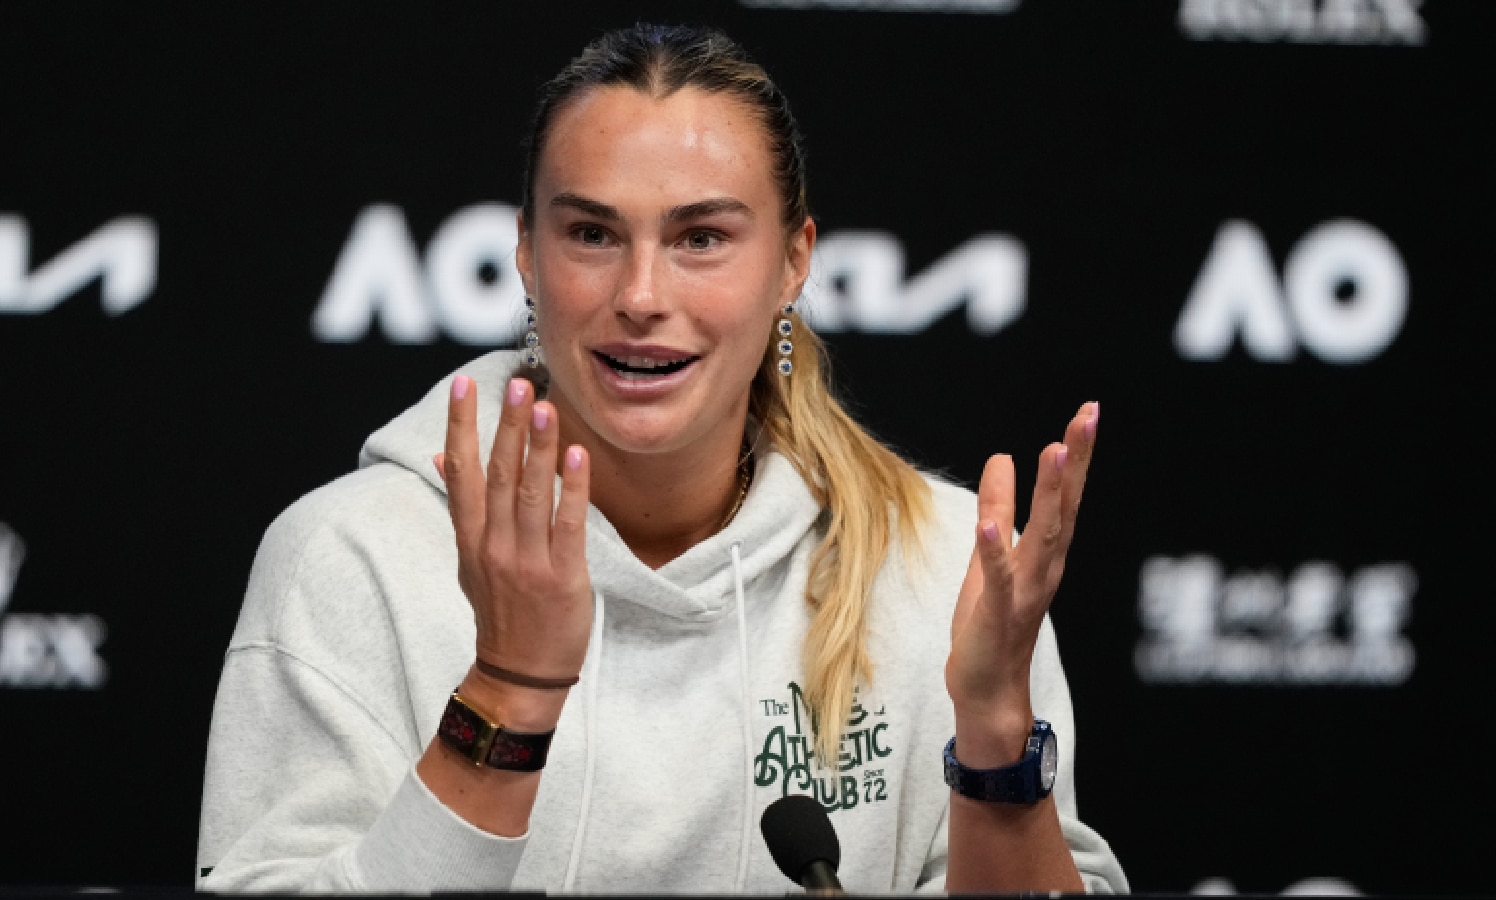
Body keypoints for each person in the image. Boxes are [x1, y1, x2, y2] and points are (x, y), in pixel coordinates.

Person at [197, 23, 1127, 894]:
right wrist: (508, 691)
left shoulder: (947, 570)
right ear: (527, 254)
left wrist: (1000, 743)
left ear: (794, 264)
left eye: (701, 239)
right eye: (592, 234)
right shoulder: (351, 556)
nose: (641, 295)